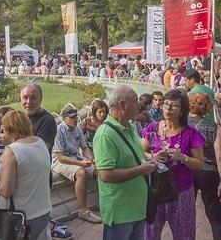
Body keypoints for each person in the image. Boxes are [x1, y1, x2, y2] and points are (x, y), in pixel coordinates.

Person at [93, 86, 156, 240]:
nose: (139, 106)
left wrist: (149, 160)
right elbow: (106, 175)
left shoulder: (131, 126)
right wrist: (141, 170)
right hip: (120, 212)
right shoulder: (105, 135)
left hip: (137, 208)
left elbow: (134, 157)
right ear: (122, 105)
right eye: (135, 102)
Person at [141, 89, 206, 240]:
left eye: (173, 106)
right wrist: (153, 156)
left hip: (181, 191)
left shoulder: (191, 133)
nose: (168, 108)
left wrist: (182, 157)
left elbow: (200, 164)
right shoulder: (153, 128)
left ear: (183, 111)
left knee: (184, 234)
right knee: (149, 232)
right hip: (155, 189)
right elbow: (140, 152)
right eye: (166, 104)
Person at [19, 83, 72, 239]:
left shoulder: (47, 120)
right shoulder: (20, 118)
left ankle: (50, 227)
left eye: (33, 98)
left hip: (38, 177)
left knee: (38, 223)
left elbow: (40, 148)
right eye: (25, 98)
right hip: (21, 176)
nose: (28, 102)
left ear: (40, 99)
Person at [0, 110, 52, 240]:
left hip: (21, 217)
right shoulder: (41, 143)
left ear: (10, 129)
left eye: (4, 129)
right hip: (43, 211)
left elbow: (6, 191)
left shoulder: (12, 151)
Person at [187, 93, 221, 240]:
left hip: (188, 172)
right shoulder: (214, 127)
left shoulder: (183, 125)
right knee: (217, 218)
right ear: (208, 108)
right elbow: (220, 156)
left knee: (185, 216)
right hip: (210, 174)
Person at [52, 104, 101, 224]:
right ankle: (83, 211)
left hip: (76, 157)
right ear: (64, 118)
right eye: (71, 117)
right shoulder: (59, 131)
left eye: (75, 116)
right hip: (59, 161)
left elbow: (85, 148)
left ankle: (102, 202)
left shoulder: (77, 129)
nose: (75, 119)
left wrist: (92, 159)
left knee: (99, 170)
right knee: (81, 173)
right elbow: (60, 157)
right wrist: (81, 163)